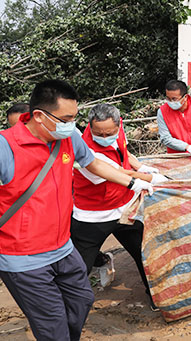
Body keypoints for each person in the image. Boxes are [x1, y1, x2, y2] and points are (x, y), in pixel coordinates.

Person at [0, 80, 153, 341]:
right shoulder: (5, 147)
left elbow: (93, 164)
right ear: (39, 116)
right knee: (52, 323)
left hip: (62, 247)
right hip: (24, 257)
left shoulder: (68, 137)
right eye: (66, 119)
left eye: (74, 117)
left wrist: (132, 182)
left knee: (81, 300)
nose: (72, 124)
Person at [72, 104, 167, 311]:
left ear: (118, 124)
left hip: (125, 208)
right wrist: (147, 178)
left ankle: (155, 296)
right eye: (98, 133)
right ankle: (69, 310)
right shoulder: (84, 149)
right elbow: (115, 173)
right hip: (93, 215)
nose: (104, 136)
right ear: (90, 126)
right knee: (79, 267)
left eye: (109, 133)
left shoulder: (117, 128)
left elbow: (123, 150)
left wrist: (140, 166)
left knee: (144, 253)